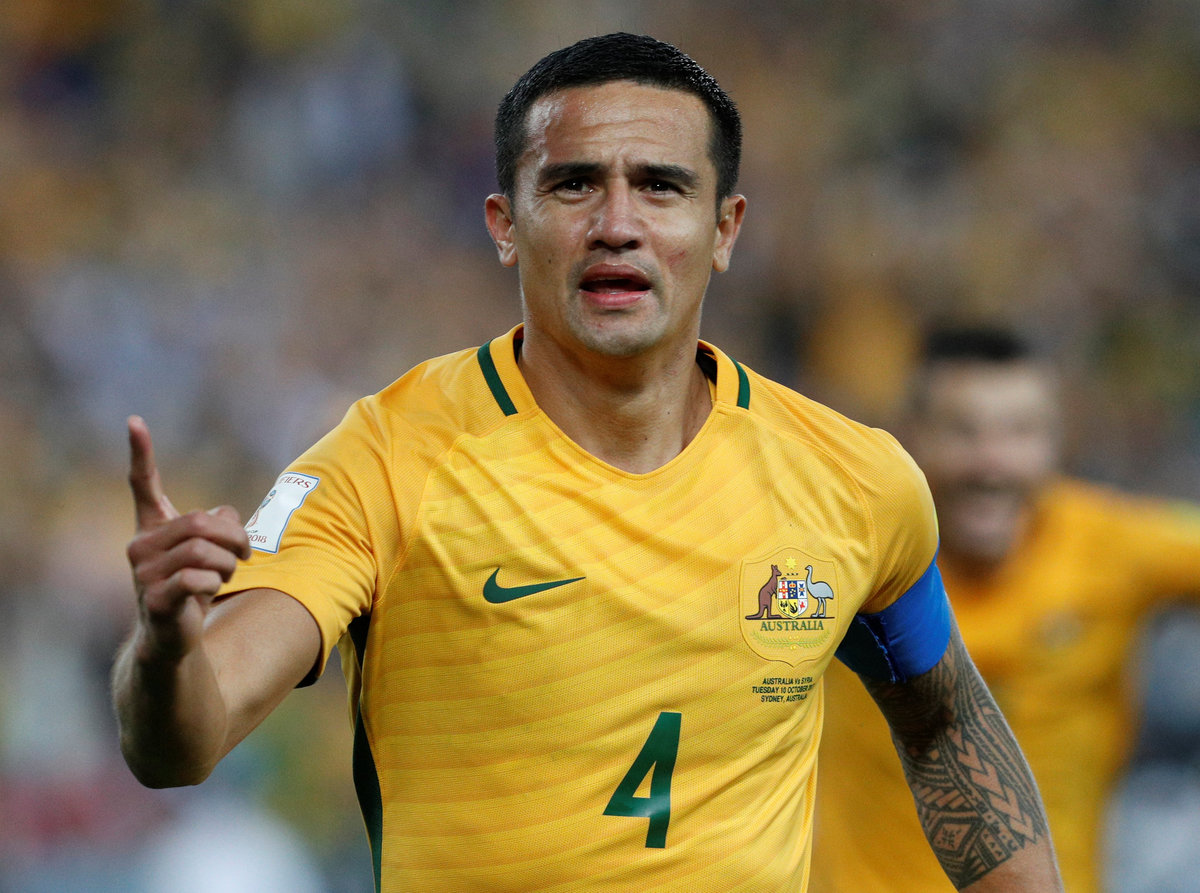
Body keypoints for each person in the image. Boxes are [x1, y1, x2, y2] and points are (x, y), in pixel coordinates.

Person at [113, 33, 1062, 892]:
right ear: (504, 223)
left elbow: (947, 722)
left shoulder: (855, 480)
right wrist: (163, 649)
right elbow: (184, 740)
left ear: (725, 228)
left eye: (661, 186)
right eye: (573, 185)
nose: (617, 222)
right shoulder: (385, 457)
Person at [811, 326, 1200, 893]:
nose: (992, 463)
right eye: (963, 431)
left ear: (1057, 440)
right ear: (909, 438)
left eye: (1020, 431)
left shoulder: (1115, 546)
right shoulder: (847, 548)